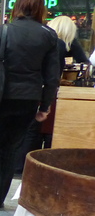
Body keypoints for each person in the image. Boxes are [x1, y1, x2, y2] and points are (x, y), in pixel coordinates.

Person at [0, 0, 59, 216]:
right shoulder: (49, 35)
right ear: (41, 7)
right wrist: (44, 106)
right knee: (12, 149)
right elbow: (52, 76)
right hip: (29, 99)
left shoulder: (3, 31)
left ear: (18, 5)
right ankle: (0, 198)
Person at [14, 15, 87, 173]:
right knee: (37, 129)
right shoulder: (60, 44)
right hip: (45, 91)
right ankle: (25, 165)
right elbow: (78, 63)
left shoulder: (37, 40)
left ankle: (19, 165)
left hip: (26, 88)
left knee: (27, 129)